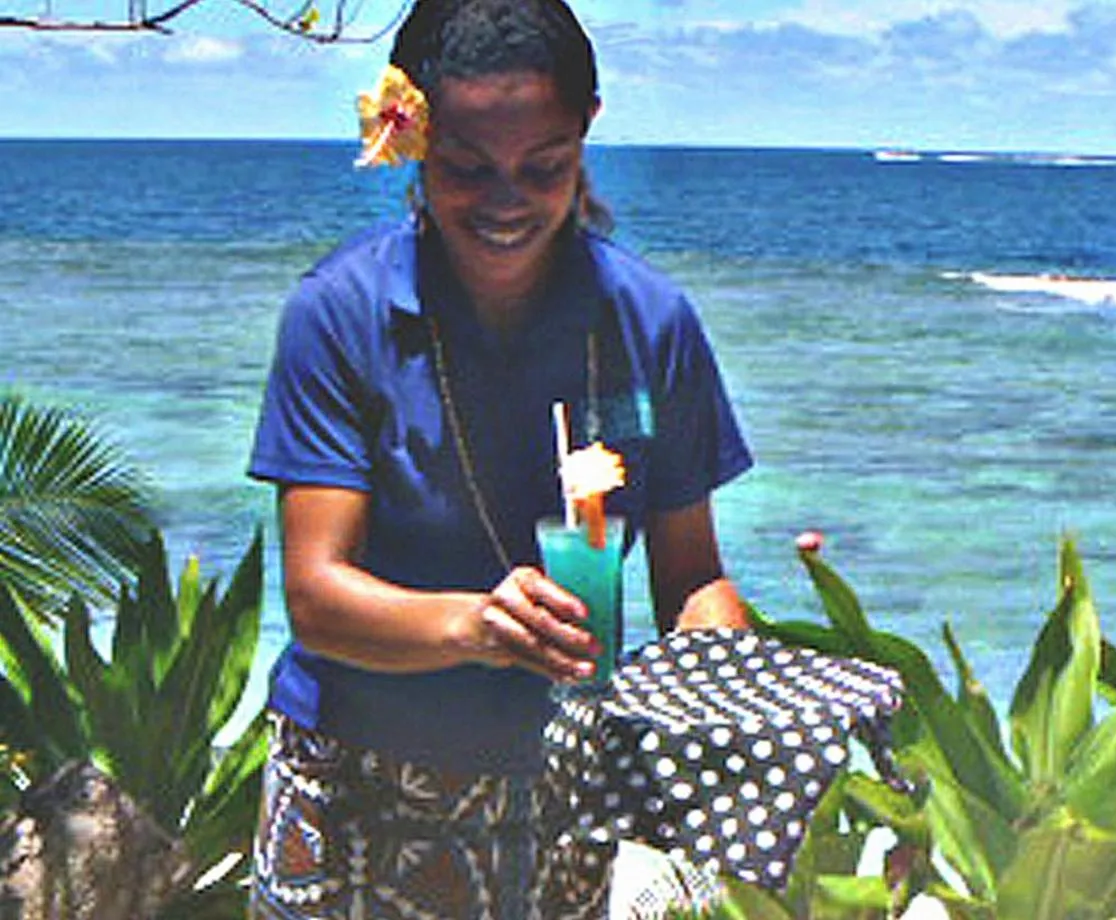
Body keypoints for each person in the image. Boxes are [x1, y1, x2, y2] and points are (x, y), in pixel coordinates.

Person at [245, 0, 753, 914]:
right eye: (468, 169)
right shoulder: (341, 315)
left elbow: (692, 580)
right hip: (353, 782)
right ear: (411, 139)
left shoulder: (650, 324)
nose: (507, 201)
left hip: (564, 791)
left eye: (544, 166)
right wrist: (477, 625)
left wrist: (731, 685)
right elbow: (317, 597)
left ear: (586, 130)